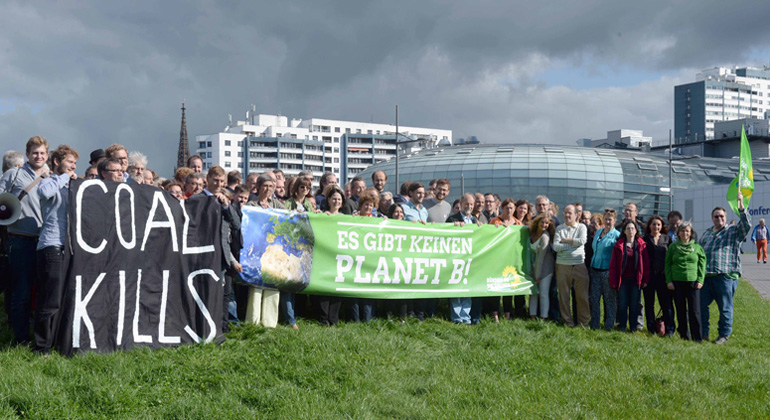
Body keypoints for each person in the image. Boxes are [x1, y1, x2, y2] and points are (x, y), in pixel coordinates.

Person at [0, 136, 49, 344]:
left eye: (42, 153)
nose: (39, 156)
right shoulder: (14, 173)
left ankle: (38, 335)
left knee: (41, 293)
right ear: (27, 154)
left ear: (47, 156)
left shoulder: (50, 178)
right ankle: (20, 338)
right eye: (35, 153)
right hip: (20, 240)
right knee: (21, 292)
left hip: (43, 241)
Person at [33, 145, 79, 353]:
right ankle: (41, 346)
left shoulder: (70, 184)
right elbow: (44, 192)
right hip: (51, 246)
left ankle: (55, 341)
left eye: (75, 164)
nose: (73, 166)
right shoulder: (51, 181)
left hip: (67, 247)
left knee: (61, 297)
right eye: (70, 162)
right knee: (49, 299)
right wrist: (65, 178)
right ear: (57, 162)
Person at [699, 190, 750, 344]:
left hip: (725, 276)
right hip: (706, 277)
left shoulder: (733, 231)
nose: (719, 218)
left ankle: (724, 335)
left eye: (722, 216)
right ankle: (703, 333)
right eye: (716, 216)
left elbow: (746, 224)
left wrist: (741, 205)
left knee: (725, 308)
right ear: (712, 218)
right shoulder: (707, 233)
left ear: (726, 218)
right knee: (700, 306)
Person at [201, 166, 242, 332]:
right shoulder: (198, 199)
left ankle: (222, 328)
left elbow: (237, 225)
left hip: (223, 256)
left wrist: (226, 206)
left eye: (221, 181)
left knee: (224, 295)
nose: (218, 184)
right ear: (208, 179)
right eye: (215, 180)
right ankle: (205, 328)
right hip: (203, 254)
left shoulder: (225, 201)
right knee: (207, 293)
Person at [244, 174, 284, 328]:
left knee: (272, 283)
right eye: (265, 186)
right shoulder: (252, 204)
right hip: (256, 250)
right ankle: (252, 322)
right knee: (256, 285)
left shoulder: (277, 204)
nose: (268, 189)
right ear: (259, 187)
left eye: (270, 186)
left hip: (274, 251)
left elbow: (288, 216)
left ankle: (269, 322)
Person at [666, 222, 706, 342]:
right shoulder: (673, 247)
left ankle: (697, 337)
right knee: (680, 310)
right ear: (678, 233)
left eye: (687, 231)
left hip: (693, 282)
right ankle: (684, 335)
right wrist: (669, 281)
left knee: (695, 311)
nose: (685, 233)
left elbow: (702, 265)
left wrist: (700, 280)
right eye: (682, 231)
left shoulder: (697, 247)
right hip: (677, 282)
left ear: (691, 233)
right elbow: (667, 264)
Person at [312, 185, 345, 326]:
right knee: (325, 287)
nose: (336, 201)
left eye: (339, 199)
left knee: (336, 287)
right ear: (329, 200)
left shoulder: (347, 218)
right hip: (325, 256)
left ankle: (334, 318)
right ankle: (323, 317)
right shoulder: (323, 215)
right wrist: (318, 216)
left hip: (340, 256)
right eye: (334, 199)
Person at [552, 204, 590, 327]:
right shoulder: (559, 229)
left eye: (570, 213)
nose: (567, 215)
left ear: (576, 215)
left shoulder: (582, 227)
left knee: (582, 296)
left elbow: (582, 241)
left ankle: (583, 323)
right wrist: (573, 244)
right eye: (565, 213)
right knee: (564, 295)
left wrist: (566, 241)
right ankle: (567, 322)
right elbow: (557, 247)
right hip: (562, 266)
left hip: (579, 265)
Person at [609, 220, 650, 332]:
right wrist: (613, 281)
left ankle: (633, 327)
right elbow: (613, 265)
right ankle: (622, 326)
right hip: (622, 280)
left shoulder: (641, 245)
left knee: (634, 305)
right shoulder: (619, 245)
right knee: (622, 304)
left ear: (636, 231)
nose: (630, 230)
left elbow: (646, 264)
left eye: (632, 228)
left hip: (636, 280)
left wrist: (645, 279)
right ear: (624, 231)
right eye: (628, 228)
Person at [446, 194, 478, 324]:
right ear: (461, 203)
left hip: (471, 260)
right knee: (456, 289)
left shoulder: (476, 221)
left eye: (471, 204)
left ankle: (466, 317)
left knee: (467, 288)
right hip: (456, 259)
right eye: (466, 204)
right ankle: (457, 317)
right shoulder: (452, 219)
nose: (469, 206)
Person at [491, 198, 526, 319]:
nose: (509, 210)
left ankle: (507, 313)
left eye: (511, 208)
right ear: (502, 208)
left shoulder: (518, 224)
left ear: (514, 209)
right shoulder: (495, 221)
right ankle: (494, 313)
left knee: (509, 286)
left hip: (512, 259)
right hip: (497, 259)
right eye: (507, 208)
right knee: (496, 285)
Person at [643, 215, 674, 336]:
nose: (656, 226)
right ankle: (651, 329)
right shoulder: (644, 239)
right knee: (649, 304)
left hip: (663, 277)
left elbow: (671, 257)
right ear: (649, 226)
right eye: (653, 224)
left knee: (666, 304)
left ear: (662, 226)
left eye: (658, 224)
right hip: (649, 276)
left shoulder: (667, 239)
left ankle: (669, 329)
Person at [589, 209, 620, 330]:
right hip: (594, 270)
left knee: (610, 300)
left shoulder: (617, 235)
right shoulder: (598, 232)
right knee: (594, 299)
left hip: (607, 271)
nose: (608, 221)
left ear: (614, 220)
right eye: (606, 218)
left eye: (610, 219)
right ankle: (595, 325)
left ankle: (609, 325)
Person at [529, 213, 556, 320]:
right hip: (532, 268)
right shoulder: (531, 234)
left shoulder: (545, 237)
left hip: (545, 269)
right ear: (537, 222)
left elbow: (541, 258)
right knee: (533, 293)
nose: (544, 225)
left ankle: (543, 317)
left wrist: (537, 275)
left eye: (546, 223)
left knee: (543, 293)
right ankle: (532, 315)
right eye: (542, 222)